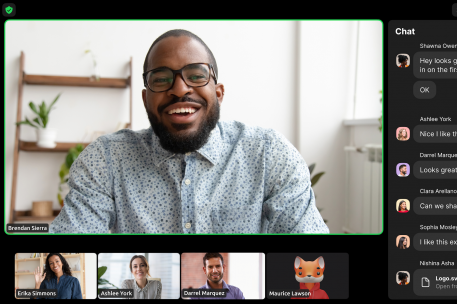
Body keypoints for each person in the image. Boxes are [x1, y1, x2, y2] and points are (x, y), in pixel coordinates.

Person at [49, 29, 328, 234]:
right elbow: (69, 255)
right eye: (161, 79)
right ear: (146, 99)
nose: (180, 89)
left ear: (218, 93)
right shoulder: (105, 160)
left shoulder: (269, 154)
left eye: (196, 75)